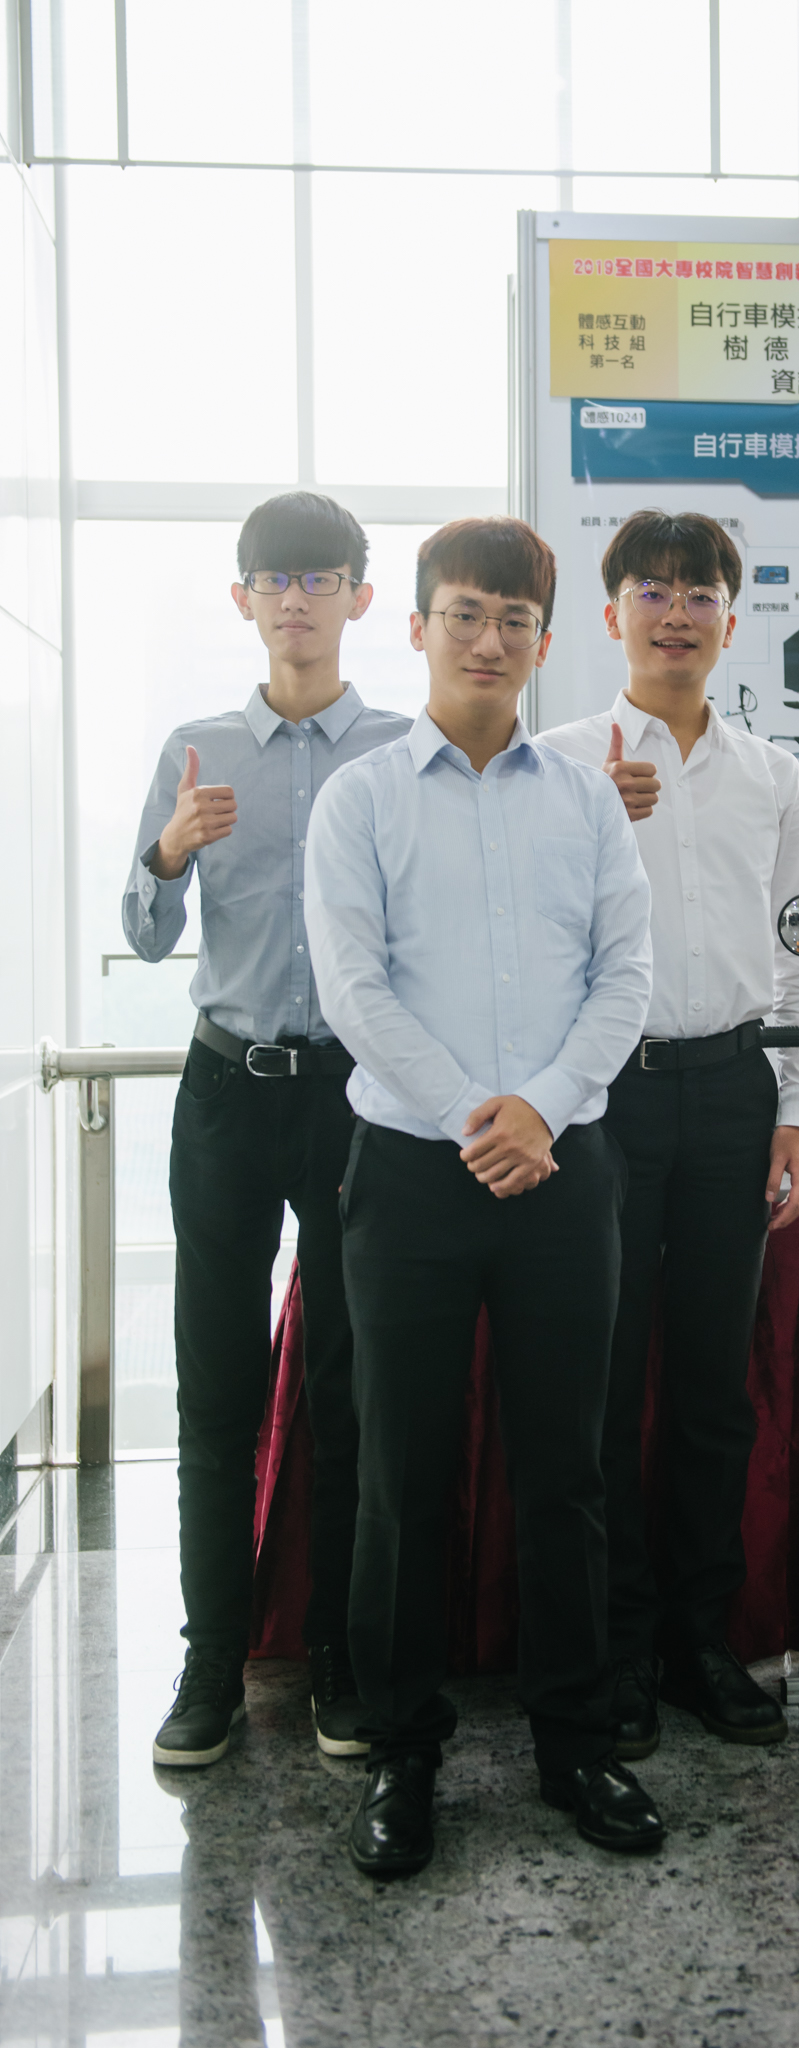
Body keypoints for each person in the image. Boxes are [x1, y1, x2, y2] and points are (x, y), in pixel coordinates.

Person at [304, 516, 662, 1878]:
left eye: (514, 620)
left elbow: (625, 974)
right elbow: (353, 987)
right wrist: (476, 1112)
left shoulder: (582, 799)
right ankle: (402, 1751)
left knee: (566, 1468)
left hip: (562, 1169)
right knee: (400, 1473)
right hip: (411, 1172)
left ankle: (574, 1740)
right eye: (464, 613)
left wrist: (543, 1108)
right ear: (415, 628)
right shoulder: (361, 800)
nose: (489, 639)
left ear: (544, 641)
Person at [539, 509, 799, 1761]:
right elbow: (520, 940)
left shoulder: (772, 775)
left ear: (729, 616)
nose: (675, 613)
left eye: (699, 592)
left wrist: (796, 1114)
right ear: (612, 613)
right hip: (601, 1099)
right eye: (652, 591)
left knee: (713, 1386)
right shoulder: (558, 763)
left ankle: (697, 1639)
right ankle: (610, 1648)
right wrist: (586, 825)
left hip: (729, 1093)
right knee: (600, 1387)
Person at [124, 491, 410, 1770]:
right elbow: (143, 934)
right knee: (216, 1387)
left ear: (358, 595)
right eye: (273, 578)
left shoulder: (397, 751)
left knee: (350, 1385)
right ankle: (212, 1663)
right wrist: (168, 854)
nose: (296, 597)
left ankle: (341, 1653)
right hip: (227, 1091)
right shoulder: (196, 748)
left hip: (355, 1095)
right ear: (242, 599)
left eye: (319, 575)